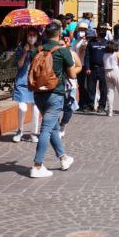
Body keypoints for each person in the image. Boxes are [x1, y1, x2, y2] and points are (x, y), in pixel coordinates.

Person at [29, 22, 78, 178]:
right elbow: (72, 75)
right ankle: (37, 165)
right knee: (46, 129)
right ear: (59, 34)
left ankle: (63, 158)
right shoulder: (63, 51)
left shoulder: (37, 50)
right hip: (55, 94)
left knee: (54, 127)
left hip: (38, 94)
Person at [12, 28, 40, 143]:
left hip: (35, 82)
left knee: (36, 109)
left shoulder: (39, 49)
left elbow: (40, 65)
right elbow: (19, 65)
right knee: (22, 108)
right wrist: (24, 52)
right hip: (22, 82)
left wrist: (34, 53)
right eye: (30, 35)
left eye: (34, 35)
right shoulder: (20, 48)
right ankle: (20, 130)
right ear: (26, 36)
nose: (32, 37)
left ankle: (34, 133)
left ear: (37, 37)